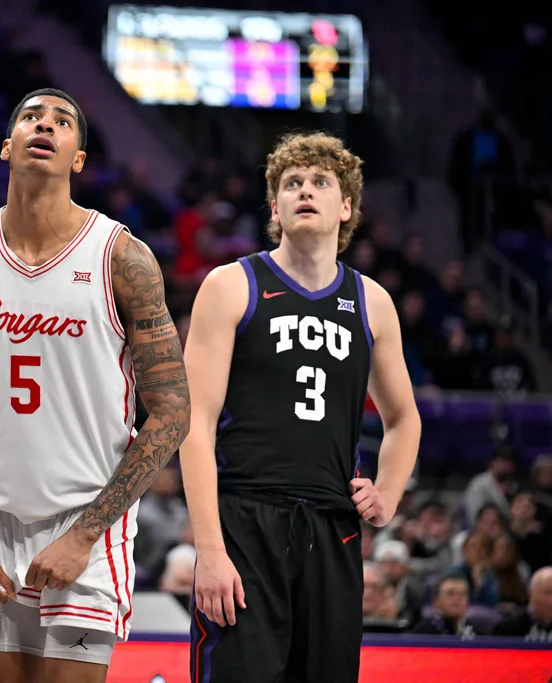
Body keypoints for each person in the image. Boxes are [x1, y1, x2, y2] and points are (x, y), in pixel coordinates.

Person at [0, 88, 190, 683]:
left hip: (87, 518)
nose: (44, 125)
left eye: (63, 121)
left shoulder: (122, 257)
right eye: (29, 117)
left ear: (78, 159)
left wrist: (87, 533)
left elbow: (173, 412)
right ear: (6, 147)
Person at [180, 132, 421, 682]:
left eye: (319, 183)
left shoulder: (372, 302)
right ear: (275, 208)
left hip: (332, 528)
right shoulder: (231, 285)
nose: (304, 191)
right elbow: (194, 421)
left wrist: (388, 492)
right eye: (291, 184)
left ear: (346, 207)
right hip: (245, 520)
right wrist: (210, 549)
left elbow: (404, 418)